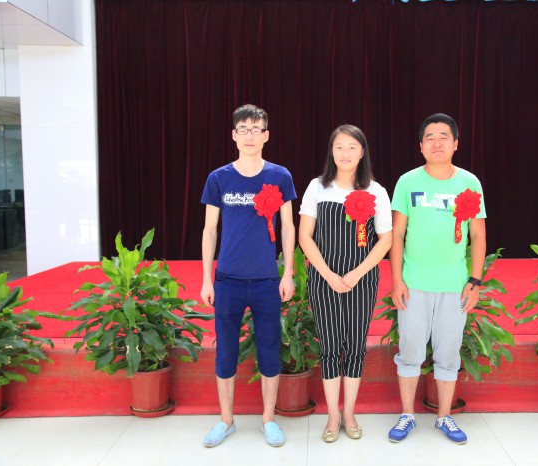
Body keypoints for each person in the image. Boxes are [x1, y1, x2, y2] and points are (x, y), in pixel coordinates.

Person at [200, 104, 296, 448]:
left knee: (269, 349)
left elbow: (288, 227)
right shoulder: (219, 178)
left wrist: (287, 273)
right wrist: (207, 278)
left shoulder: (280, 176)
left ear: (266, 135)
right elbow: (210, 230)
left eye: (256, 129)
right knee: (225, 351)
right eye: (243, 129)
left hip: (267, 281)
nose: (250, 135)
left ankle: (269, 419)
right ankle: (226, 420)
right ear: (234, 135)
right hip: (227, 281)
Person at [387, 113, 486, 444]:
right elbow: (397, 234)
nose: (437, 143)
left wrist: (475, 281)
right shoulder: (407, 182)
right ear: (421, 146)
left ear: (456, 144)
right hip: (413, 285)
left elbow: (478, 235)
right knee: (410, 352)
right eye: (430, 137)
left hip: (454, 287)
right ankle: (407, 415)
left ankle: (445, 417)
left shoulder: (469, 183)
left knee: (448, 354)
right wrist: (397, 280)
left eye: (444, 137)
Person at [298, 124, 392, 443]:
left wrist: (357, 273)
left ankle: (349, 412)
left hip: (362, 281)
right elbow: (305, 236)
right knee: (329, 346)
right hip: (323, 279)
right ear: (332, 151)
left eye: (352, 147)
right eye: (339, 147)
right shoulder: (317, 187)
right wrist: (327, 274)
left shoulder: (376, 191)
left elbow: (384, 240)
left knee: (354, 346)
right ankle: (332, 415)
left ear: (362, 152)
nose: (345, 153)